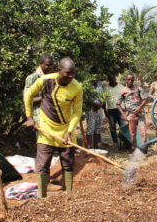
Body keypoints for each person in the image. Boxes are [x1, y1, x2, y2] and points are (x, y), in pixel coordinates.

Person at [24, 57, 82, 197]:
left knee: (68, 164)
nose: (70, 77)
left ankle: (68, 194)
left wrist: (69, 131)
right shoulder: (45, 80)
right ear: (59, 70)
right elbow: (28, 95)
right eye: (67, 73)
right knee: (43, 165)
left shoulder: (77, 87)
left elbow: (77, 112)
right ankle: (41, 197)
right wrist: (29, 117)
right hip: (46, 130)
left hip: (66, 131)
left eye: (73, 73)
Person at [117, 73, 147, 149]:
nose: (130, 81)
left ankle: (143, 149)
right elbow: (118, 104)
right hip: (131, 115)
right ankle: (134, 148)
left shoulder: (138, 88)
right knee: (132, 134)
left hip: (140, 114)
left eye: (132, 80)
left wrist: (139, 108)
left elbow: (144, 99)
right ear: (126, 80)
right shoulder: (123, 91)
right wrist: (124, 115)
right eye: (128, 79)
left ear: (133, 80)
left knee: (143, 133)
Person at [24, 54, 54, 124]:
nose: (51, 67)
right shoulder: (32, 78)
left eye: (52, 65)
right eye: (48, 65)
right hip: (38, 118)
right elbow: (27, 99)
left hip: (51, 117)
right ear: (41, 64)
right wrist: (45, 98)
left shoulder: (52, 78)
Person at [102, 75, 124, 146]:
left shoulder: (121, 87)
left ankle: (122, 140)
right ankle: (115, 142)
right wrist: (105, 111)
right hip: (110, 110)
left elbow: (125, 98)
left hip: (120, 110)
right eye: (110, 79)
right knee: (112, 127)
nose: (112, 81)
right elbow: (104, 100)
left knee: (122, 126)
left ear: (115, 79)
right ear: (108, 80)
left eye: (113, 79)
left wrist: (125, 109)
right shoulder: (106, 88)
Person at [86, 79, 104, 149]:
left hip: (99, 109)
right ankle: (89, 146)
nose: (96, 78)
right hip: (91, 109)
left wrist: (100, 104)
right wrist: (95, 105)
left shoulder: (100, 84)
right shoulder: (87, 85)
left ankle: (97, 146)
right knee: (90, 128)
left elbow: (102, 96)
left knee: (98, 128)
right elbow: (86, 99)